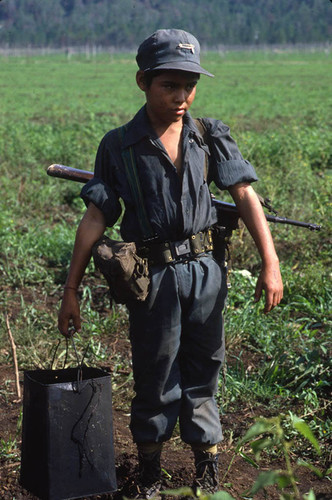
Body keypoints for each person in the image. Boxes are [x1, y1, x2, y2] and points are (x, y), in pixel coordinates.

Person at [58, 29, 283, 498]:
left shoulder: (208, 135)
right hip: (153, 278)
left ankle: (207, 469)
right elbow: (96, 216)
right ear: (143, 82)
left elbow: (245, 195)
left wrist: (271, 261)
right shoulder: (119, 145)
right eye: (169, 86)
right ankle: (151, 475)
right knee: (156, 374)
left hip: (206, 273)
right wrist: (71, 290)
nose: (181, 97)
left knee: (205, 369)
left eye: (189, 85)